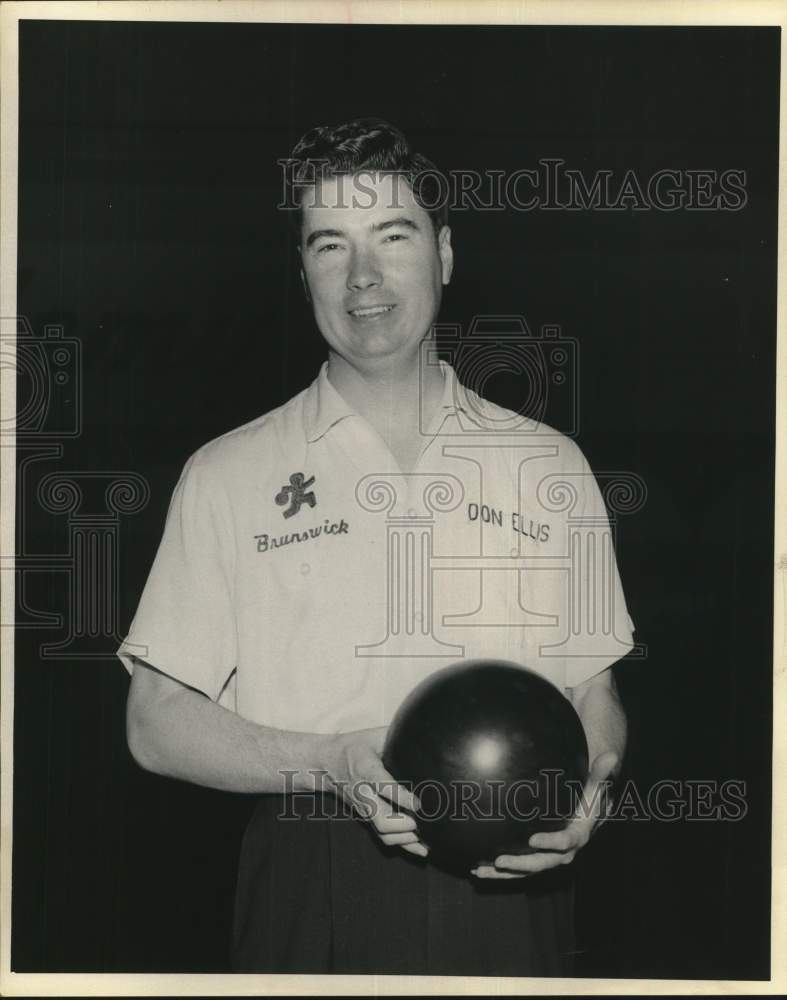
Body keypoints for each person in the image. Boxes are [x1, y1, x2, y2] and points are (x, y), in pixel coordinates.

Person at [118, 118, 636, 977]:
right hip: (310, 880)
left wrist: (594, 791)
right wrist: (326, 762)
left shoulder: (550, 462)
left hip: (515, 883)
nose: (364, 276)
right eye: (331, 244)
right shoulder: (227, 472)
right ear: (303, 272)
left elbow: (594, 687)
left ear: (442, 254)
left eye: (392, 236)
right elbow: (155, 724)